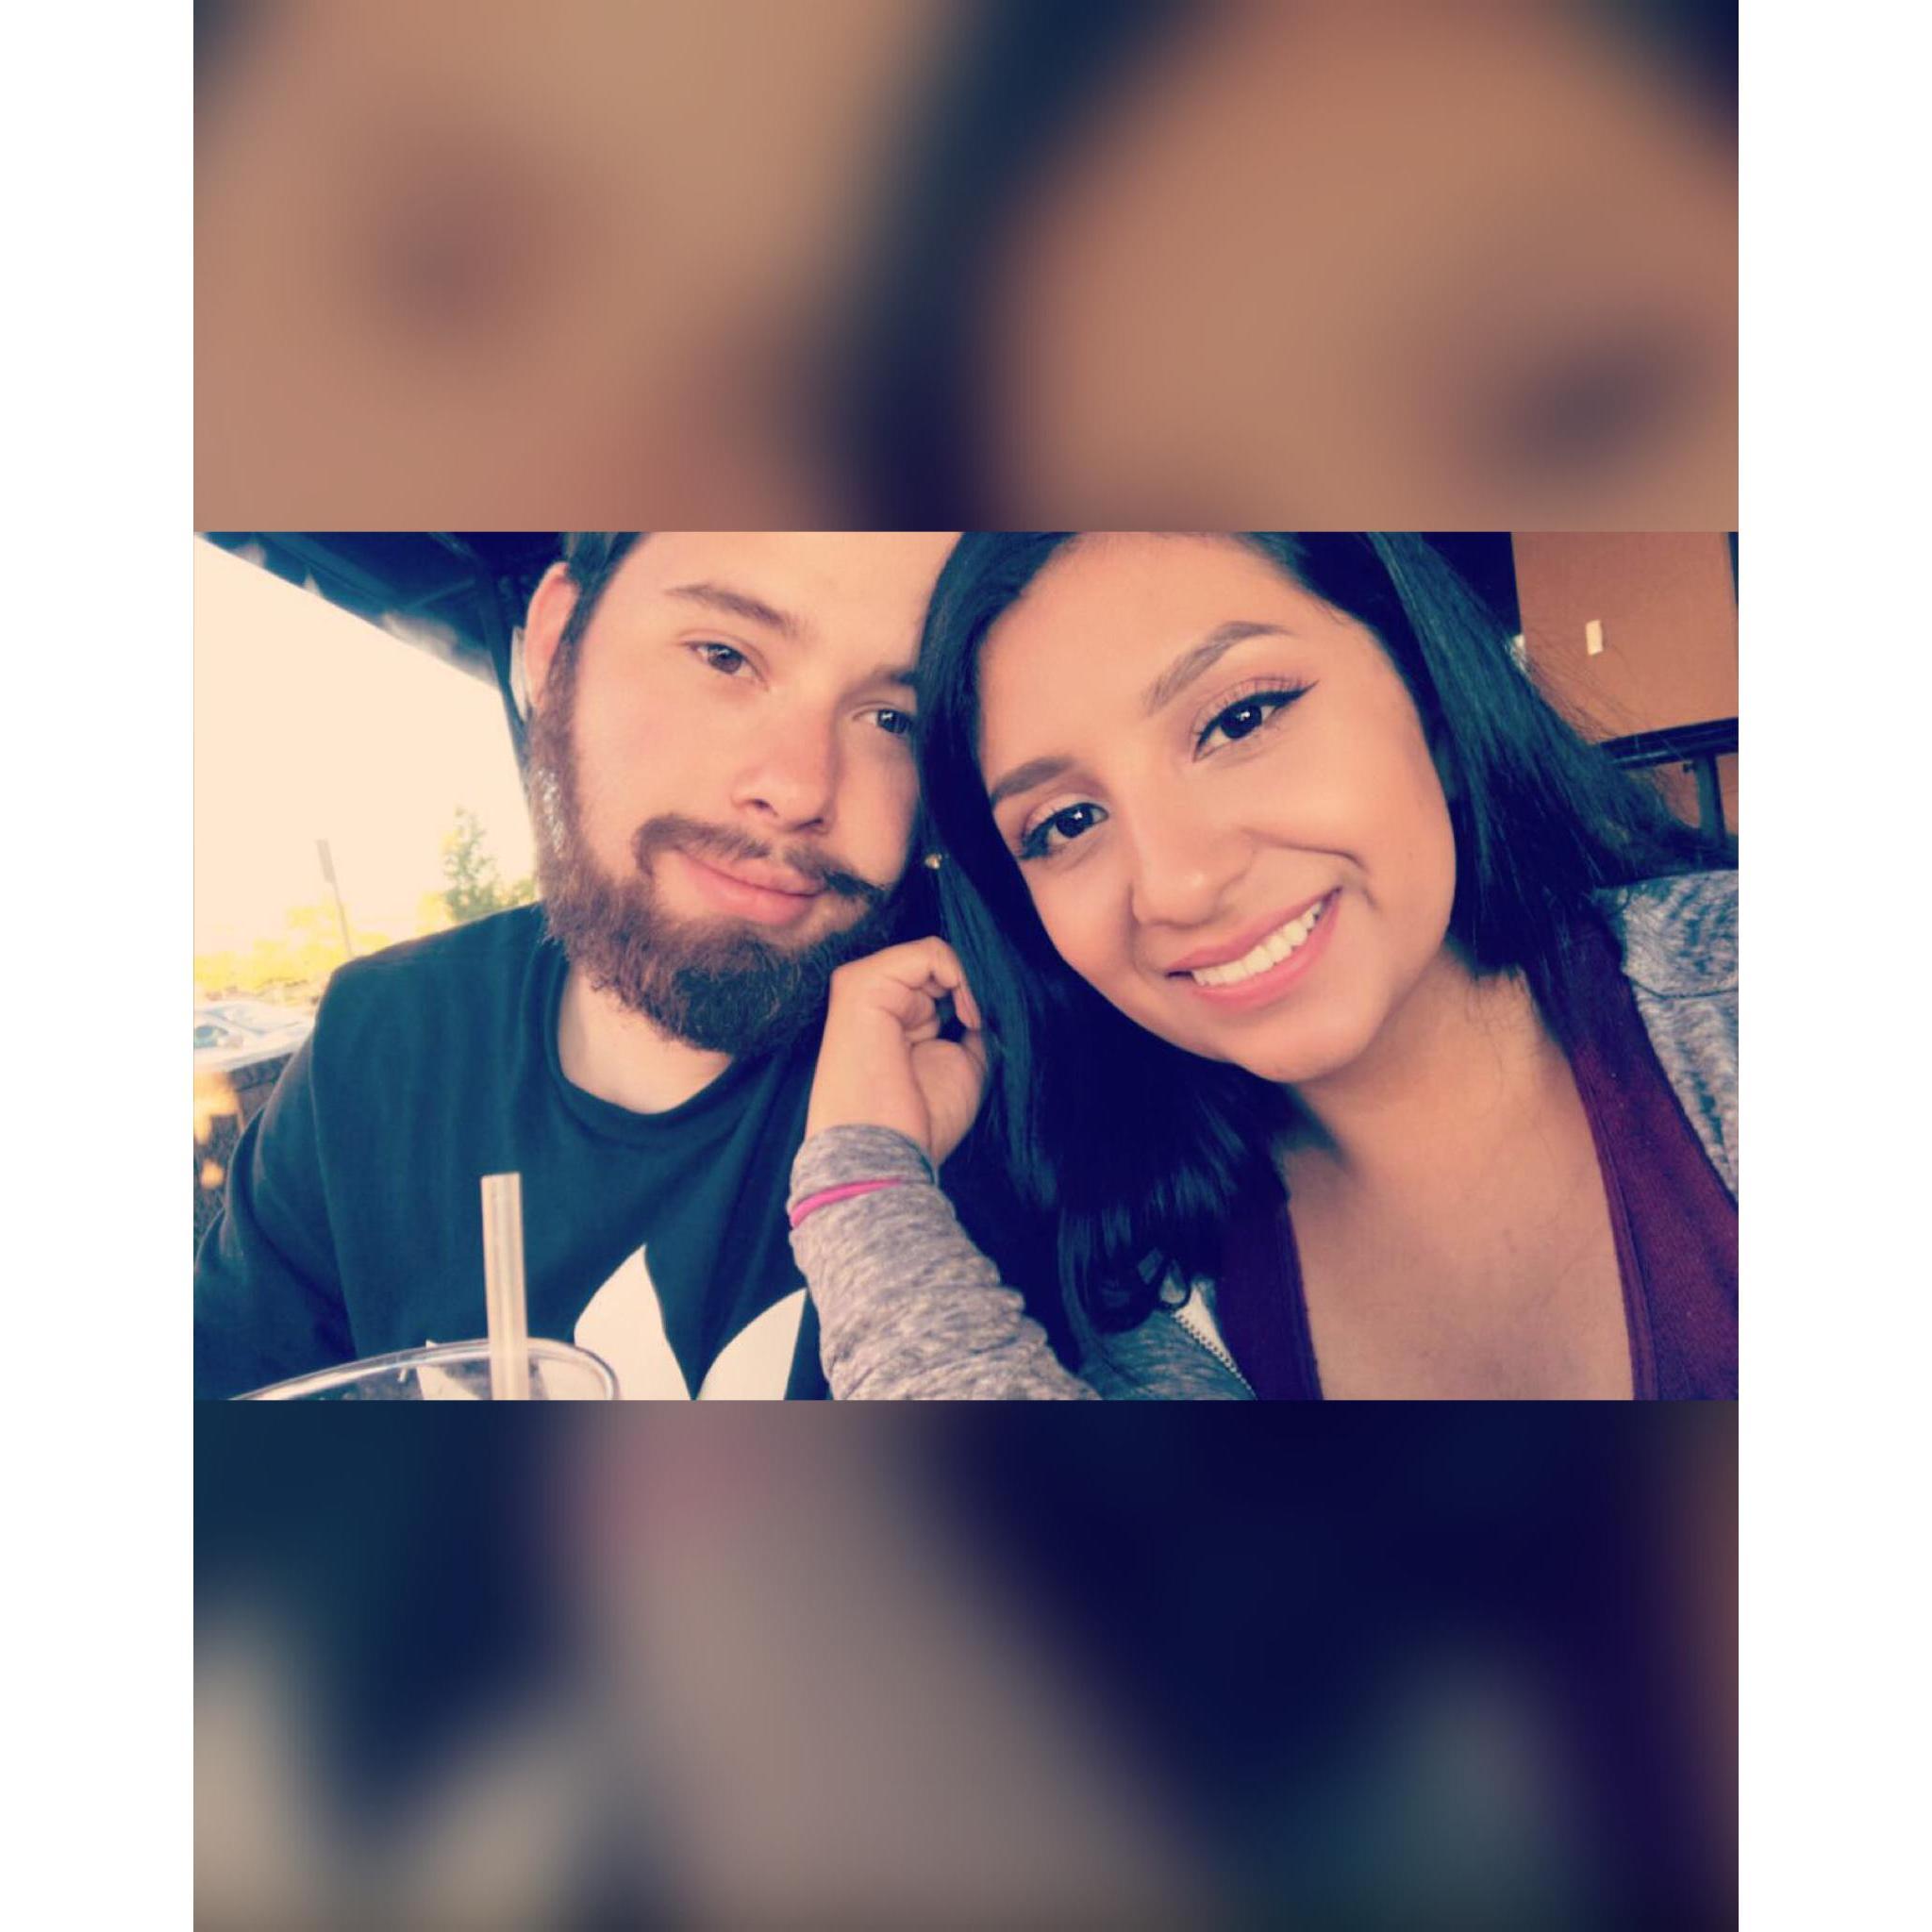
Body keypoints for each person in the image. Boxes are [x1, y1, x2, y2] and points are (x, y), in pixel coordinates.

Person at [791, 532, 1737, 1399]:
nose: (1177, 887)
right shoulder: (1162, 1295)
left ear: (1430, 703)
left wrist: (855, 1192)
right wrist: (863, 1175)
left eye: (1240, 720)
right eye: (1067, 823)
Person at [194, 529, 962, 1399]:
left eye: (894, 719)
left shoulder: (991, 1076)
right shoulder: (376, 1044)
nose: (798, 789)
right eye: (725, 656)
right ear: (558, 647)